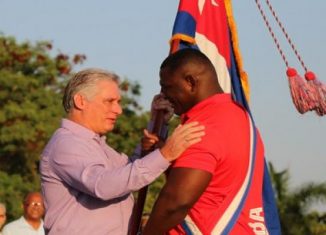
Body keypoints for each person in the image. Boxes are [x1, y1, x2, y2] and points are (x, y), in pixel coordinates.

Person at [40, 68, 205, 235]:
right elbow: (104, 185)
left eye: (118, 102)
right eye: (109, 101)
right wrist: (166, 154)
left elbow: (129, 174)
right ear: (81, 101)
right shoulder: (67, 144)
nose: (118, 110)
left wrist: (157, 124)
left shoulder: (96, 145)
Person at [142, 48, 270, 235]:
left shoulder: (203, 127)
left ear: (190, 82)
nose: (163, 94)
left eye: (167, 87)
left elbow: (176, 202)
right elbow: (216, 182)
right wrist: (163, 153)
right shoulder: (240, 117)